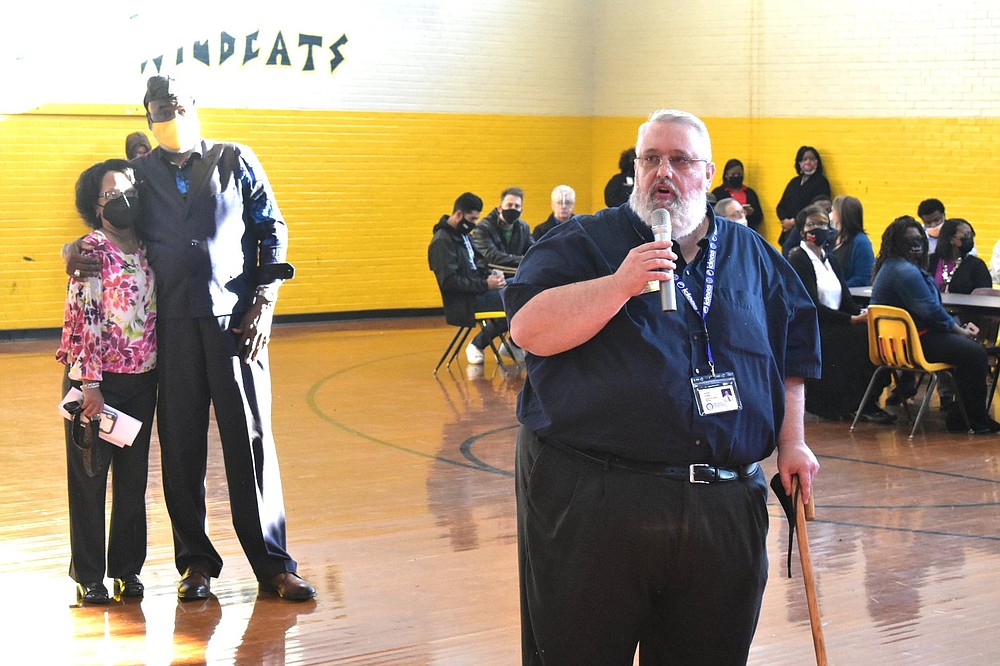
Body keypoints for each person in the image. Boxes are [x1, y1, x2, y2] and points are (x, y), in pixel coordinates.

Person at [505, 108, 821, 664]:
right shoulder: (582, 242)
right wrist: (619, 285)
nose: (663, 173)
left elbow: (793, 351)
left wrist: (792, 442)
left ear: (708, 172)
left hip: (723, 504)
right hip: (597, 500)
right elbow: (530, 328)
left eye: (680, 160)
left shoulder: (752, 255)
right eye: (650, 159)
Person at [66, 75, 316, 602]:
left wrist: (266, 302)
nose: (169, 114)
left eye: (176, 105)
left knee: (250, 443)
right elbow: (106, 214)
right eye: (159, 109)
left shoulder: (235, 158)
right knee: (180, 447)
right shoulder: (138, 175)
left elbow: (272, 228)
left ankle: (274, 563)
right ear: (147, 115)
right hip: (171, 328)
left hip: (236, 324)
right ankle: (195, 563)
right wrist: (75, 247)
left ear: (193, 106)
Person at [57, 159, 158, 604]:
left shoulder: (149, 248)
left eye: (130, 191)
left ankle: (127, 571)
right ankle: (89, 575)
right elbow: (84, 320)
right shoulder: (93, 250)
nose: (124, 200)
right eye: (112, 195)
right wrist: (91, 385)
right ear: (95, 207)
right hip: (96, 384)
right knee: (89, 478)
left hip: (142, 381)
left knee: (133, 483)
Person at [870, 216, 999, 434]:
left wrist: (958, 331)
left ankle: (963, 415)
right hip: (915, 343)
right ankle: (973, 420)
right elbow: (930, 312)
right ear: (897, 242)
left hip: (898, 344)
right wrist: (960, 331)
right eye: (910, 240)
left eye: (920, 239)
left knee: (965, 349)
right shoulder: (906, 271)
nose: (917, 245)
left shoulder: (891, 266)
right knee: (975, 353)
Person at [787, 205, 894, 423]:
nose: (818, 229)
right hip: (815, 326)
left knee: (875, 333)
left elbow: (845, 299)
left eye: (824, 225)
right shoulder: (798, 258)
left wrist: (861, 314)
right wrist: (851, 319)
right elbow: (811, 304)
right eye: (812, 225)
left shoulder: (830, 259)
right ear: (802, 230)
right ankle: (857, 402)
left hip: (837, 321)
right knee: (861, 341)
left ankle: (866, 400)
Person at [428, 192, 512, 365]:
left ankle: (513, 346)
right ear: (458, 215)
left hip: (477, 293)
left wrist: (493, 275)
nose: (474, 224)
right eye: (472, 219)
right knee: (516, 298)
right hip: (465, 302)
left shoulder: (463, 236)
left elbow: (475, 266)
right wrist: (485, 285)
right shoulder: (441, 242)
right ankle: (504, 345)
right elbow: (450, 282)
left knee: (519, 287)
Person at [776, 146, 831, 246]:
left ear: (817, 162)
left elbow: (816, 208)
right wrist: (785, 221)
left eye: (811, 159)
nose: (808, 162)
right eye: (804, 159)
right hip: (788, 231)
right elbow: (781, 205)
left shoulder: (821, 182)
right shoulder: (794, 182)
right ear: (799, 163)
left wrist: (794, 222)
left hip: (807, 231)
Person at [471, 187, 534, 271]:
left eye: (517, 206)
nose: (513, 208)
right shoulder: (483, 228)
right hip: (492, 275)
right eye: (509, 205)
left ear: (521, 211)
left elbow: (533, 251)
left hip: (517, 274)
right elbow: (492, 256)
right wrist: (522, 260)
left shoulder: (524, 228)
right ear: (500, 208)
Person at [928, 218, 991, 294]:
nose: (970, 238)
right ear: (951, 239)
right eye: (965, 235)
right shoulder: (931, 261)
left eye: (971, 234)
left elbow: (985, 295)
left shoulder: (977, 265)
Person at [829, 195, 875, 287]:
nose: (831, 215)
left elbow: (862, 279)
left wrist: (836, 289)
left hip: (850, 296)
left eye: (833, 211)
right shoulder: (831, 238)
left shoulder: (861, 243)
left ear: (842, 215)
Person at [710, 158, 763, 231]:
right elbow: (713, 215)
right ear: (726, 175)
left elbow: (759, 217)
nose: (736, 176)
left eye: (739, 174)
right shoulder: (718, 193)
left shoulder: (750, 193)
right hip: (725, 230)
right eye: (733, 174)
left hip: (748, 230)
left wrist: (751, 213)